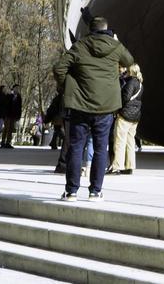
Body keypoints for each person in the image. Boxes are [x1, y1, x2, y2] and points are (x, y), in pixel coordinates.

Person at [54, 15, 135, 201]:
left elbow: (59, 68)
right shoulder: (115, 46)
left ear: (90, 29)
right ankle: (95, 192)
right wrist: (116, 41)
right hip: (105, 107)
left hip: (80, 106)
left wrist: (67, 86)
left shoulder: (80, 46)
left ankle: (71, 191)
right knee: (100, 148)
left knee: (76, 148)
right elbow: (129, 61)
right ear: (107, 29)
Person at [111, 64, 143, 174]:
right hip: (135, 117)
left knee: (119, 141)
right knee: (130, 141)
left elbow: (125, 98)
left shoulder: (130, 83)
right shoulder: (140, 84)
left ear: (129, 71)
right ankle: (130, 166)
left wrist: (117, 108)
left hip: (125, 116)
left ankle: (117, 166)